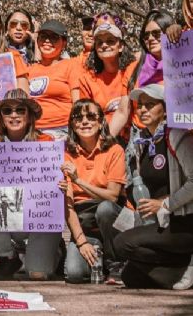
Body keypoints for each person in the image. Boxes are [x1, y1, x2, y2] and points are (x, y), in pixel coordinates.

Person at [113, 84, 193, 290]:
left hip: (185, 223)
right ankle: (187, 273)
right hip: (159, 223)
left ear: (165, 109)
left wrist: (164, 204)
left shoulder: (179, 135)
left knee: (122, 243)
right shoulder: (143, 142)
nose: (143, 110)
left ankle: (184, 261)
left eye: (151, 105)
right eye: (140, 106)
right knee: (131, 276)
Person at [0, 89, 62, 280]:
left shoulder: (46, 142)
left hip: (41, 217)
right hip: (10, 213)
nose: (14, 115)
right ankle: (8, 256)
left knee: (37, 274)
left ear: (30, 115)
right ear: (1, 116)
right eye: (7, 110)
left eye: (20, 110)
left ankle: (55, 252)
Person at [62, 99, 127, 284]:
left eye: (91, 116)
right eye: (78, 117)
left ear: (101, 122)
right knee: (74, 274)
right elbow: (68, 204)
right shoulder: (65, 154)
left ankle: (116, 263)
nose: (84, 121)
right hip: (84, 221)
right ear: (72, 126)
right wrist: (81, 241)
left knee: (105, 209)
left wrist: (78, 181)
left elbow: (113, 196)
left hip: (111, 216)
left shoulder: (115, 150)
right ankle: (95, 249)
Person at [109, 10, 174, 138]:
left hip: (173, 134)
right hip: (140, 136)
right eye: (146, 36)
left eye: (156, 34)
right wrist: (103, 143)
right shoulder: (134, 68)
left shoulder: (183, 64)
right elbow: (123, 111)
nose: (150, 38)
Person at [76, 13, 136, 138]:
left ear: (120, 46)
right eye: (99, 42)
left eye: (110, 41)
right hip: (104, 137)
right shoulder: (87, 79)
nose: (104, 45)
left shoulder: (133, 70)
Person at [27, 19, 80, 140]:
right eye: (43, 36)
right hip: (32, 131)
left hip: (61, 129)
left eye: (54, 38)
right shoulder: (29, 69)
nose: (47, 41)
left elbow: (77, 103)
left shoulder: (71, 65)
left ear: (64, 43)